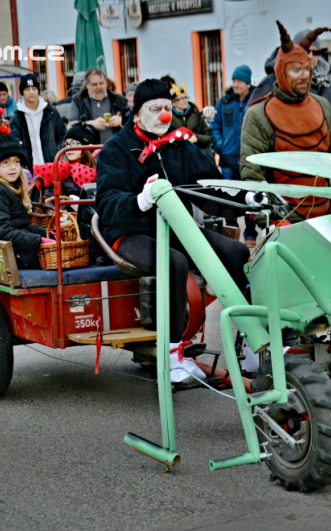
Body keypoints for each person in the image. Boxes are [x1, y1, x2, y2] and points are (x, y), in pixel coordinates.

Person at [95, 79, 250, 384]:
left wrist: (246, 200)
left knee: (238, 252)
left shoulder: (179, 146)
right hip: (128, 233)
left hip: (175, 228)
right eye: (155, 108)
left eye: (168, 108)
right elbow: (107, 202)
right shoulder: (115, 150)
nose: (164, 115)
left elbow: (210, 186)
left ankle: (254, 342)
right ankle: (173, 358)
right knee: (173, 262)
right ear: (136, 114)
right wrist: (140, 200)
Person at [241, 23, 331, 221]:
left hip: (328, 216)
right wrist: (273, 221)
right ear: (281, 71)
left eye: (307, 70)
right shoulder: (258, 114)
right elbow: (253, 176)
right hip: (286, 217)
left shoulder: (323, 106)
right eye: (296, 71)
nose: (305, 77)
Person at [0, 134, 46, 269]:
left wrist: (48, 233)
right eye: (5, 163)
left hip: (15, 249)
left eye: (16, 162)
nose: (13, 167)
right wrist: (39, 240)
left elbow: (23, 224)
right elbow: (1, 231)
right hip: (4, 256)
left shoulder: (9, 186)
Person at [212, 65, 257, 245]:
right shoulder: (223, 103)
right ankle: (231, 232)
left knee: (251, 196)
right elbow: (215, 126)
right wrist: (220, 145)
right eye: (234, 81)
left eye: (239, 81)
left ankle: (250, 234)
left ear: (247, 84)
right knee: (228, 197)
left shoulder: (255, 101)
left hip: (250, 158)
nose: (235, 85)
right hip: (228, 157)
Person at [249, 29, 331, 108]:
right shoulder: (276, 79)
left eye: (315, 52)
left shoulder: (326, 81)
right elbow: (255, 118)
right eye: (306, 50)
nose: (310, 56)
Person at [10, 74, 67, 172]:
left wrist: (56, 152)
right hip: (29, 168)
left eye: (34, 88)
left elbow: (62, 135)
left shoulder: (51, 112)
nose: (31, 92)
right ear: (22, 92)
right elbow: (15, 143)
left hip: (52, 166)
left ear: (38, 91)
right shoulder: (17, 118)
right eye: (27, 89)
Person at [68, 67, 127, 144]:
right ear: (87, 85)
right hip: (89, 151)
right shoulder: (78, 101)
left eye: (101, 83)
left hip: (117, 149)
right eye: (94, 84)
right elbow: (70, 126)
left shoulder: (119, 99)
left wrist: (121, 121)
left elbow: (134, 123)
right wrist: (91, 124)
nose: (99, 87)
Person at [168, 82, 212, 154]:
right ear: (173, 103)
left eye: (186, 97)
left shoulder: (195, 114)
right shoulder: (169, 119)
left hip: (198, 154)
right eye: (181, 99)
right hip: (178, 156)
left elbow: (209, 136)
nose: (185, 100)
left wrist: (197, 138)